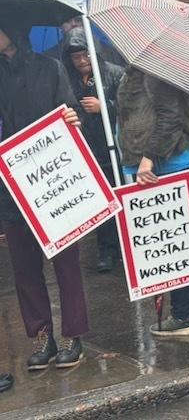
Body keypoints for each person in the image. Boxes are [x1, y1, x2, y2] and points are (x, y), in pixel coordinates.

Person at [0, 18, 87, 370]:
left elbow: (70, 110)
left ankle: (72, 333)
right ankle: (41, 333)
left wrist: (72, 116)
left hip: (52, 180)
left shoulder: (49, 68)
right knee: (23, 264)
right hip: (9, 182)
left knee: (65, 261)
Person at [116, 65, 189, 335]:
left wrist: (149, 158)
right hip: (165, 162)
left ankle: (183, 314)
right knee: (180, 238)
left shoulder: (155, 72)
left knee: (172, 243)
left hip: (163, 164)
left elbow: (169, 118)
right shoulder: (145, 69)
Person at [61, 27, 124, 272]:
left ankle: (127, 246)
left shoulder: (115, 74)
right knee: (100, 205)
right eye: (75, 57)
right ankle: (106, 251)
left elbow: (131, 108)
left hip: (116, 150)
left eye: (84, 55)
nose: (80, 61)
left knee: (123, 199)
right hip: (89, 151)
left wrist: (105, 106)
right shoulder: (68, 80)